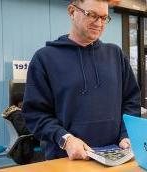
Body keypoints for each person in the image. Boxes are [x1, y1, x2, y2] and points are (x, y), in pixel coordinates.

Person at [22, 0, 140, 160]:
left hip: (116, 156)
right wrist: (66, 139)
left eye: (104, 17)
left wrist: (127, 134)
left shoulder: (116, 55)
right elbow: (35, 114)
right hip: (66, 158)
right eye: (92, 15)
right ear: (72, 12)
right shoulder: (44, 58)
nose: (99, 23)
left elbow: (131, 101)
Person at [2, 92, 42, 164]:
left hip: (24, 143)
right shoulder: (16, 114)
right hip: (25, 146)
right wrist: (36, 124)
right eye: (24, 101)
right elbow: (24, 130)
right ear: (18, 103)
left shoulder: (14, 112)